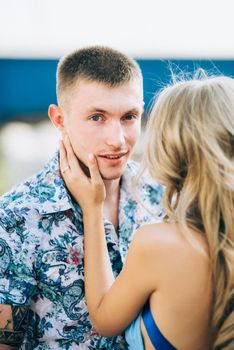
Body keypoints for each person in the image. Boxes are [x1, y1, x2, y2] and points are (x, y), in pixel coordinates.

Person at [0, 46, 163, 349]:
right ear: (59, 119)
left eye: (129, 116)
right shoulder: (16, 217)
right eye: (97, 117)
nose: (117, 139)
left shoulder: (160, 194)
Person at [60, 73, 234, 350]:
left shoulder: (160, 243)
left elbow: (104, 320)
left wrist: (93, 209)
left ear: (172, 148)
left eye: (131, 117)